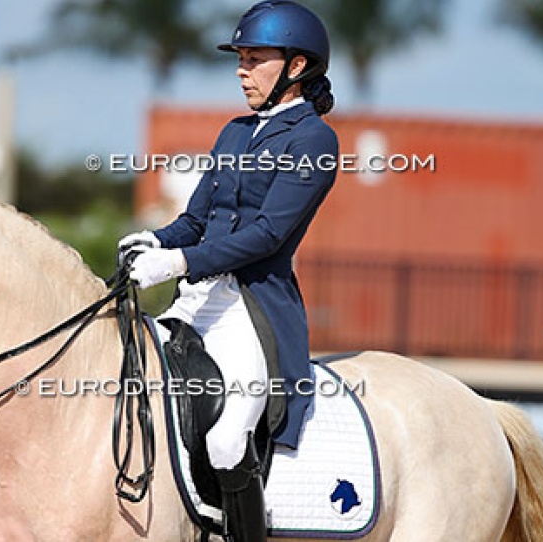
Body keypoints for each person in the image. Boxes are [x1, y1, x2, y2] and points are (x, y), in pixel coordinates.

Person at [118, 2, 337, 540]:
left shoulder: (314, 141)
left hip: (251, 307)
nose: (242, 70)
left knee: (226, 439)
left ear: (296, 66)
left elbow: (266, 235)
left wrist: (177, 262)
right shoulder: (234, 133)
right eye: (239, 59)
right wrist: (156, 240)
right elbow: (196, 219)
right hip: (195, 301)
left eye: (254, 59)